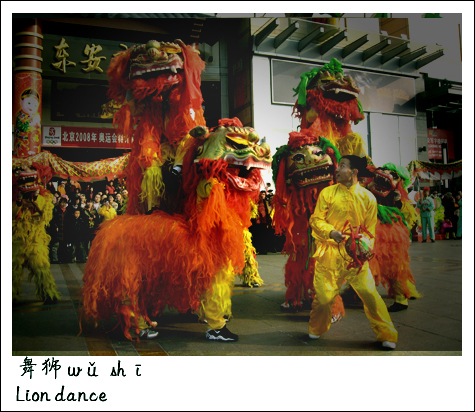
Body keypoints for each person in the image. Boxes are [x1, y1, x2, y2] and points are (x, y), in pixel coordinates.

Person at [308, 155, 398, 349]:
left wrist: (364, 245)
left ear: (354, 172)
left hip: (355, 258)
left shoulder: (368, 198)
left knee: (369, 294)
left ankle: (386, 334)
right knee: (323, 298)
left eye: (342, 166)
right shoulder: (327, 193)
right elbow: (315, 220)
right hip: (329, 254)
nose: (337, 169)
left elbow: (370, 230)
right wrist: (331, 232)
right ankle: (317, 328)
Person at [50, 197, 69, 263]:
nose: (63, 204)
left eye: (65, 203)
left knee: (62, 246)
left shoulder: (67, 211)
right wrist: (55, 226)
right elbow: (52, 220)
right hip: (57, 231)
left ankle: (61, 259)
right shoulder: (56, 210)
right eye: (62, 202)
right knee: (55, 245)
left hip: (64, 231)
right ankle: (55, 259)